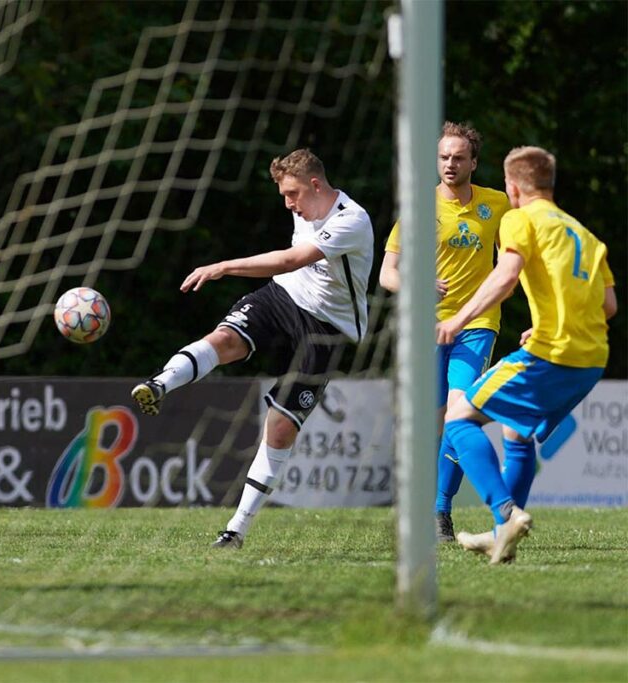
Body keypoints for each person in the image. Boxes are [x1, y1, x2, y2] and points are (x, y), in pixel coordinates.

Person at [131, 149, 374, 549]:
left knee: (279, 428)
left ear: (316, 185)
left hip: (328, 328)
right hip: (285, 298)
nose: (288, 204)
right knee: (225, 338)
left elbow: (291, 258)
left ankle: (236, 528)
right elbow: (289, 270)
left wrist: (224, 266)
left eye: (292, 194)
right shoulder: (303, 208)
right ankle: (159, 384)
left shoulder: (352, 219)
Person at [436, 145, 616, 564]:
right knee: (517, 432)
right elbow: (607, 306)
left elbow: (506, 275)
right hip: (590, 360)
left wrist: (458, 319)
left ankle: (505, 512)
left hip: (551, 352)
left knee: (458, 418)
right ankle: (502, 537)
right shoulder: (585, 235)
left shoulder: (520, 218)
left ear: (513, 187)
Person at [378, 122, 510, 542]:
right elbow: (387, 275)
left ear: (473, 162)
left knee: (460, 413)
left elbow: (519, 257)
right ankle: (423, 507)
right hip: (429, 329)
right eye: (443, 157)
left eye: (457, 157)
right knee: (435, 424)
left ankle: (440, 513)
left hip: (477, 324)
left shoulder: (499, 204)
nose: (450, 164)